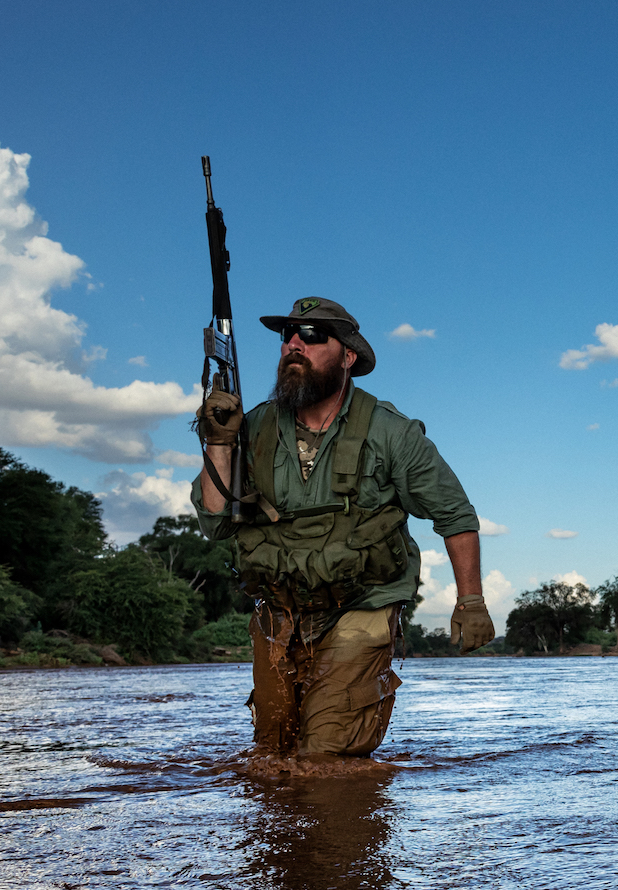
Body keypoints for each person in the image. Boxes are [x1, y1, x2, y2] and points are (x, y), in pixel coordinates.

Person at [193, 296, 494, 760]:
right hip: (280, 609)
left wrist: (470, 600)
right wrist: (218, 441)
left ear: (348, 356)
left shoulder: (391, 433)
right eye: (287, 335)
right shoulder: (251, 427)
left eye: (313, 335)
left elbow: (454, 516)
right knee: (272, 753)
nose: (295, 344)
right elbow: (215, 522)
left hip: (363, 604)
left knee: (326, 753)